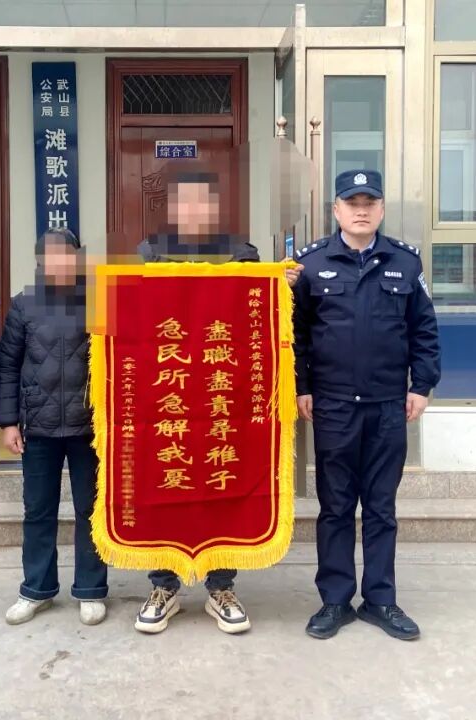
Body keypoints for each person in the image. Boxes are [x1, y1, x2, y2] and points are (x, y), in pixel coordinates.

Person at [132, 172, 301, 635]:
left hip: (221, 392)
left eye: (201, 202)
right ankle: (163, 585)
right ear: (171, 208)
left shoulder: (241, 254)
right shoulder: (149, 252)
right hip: (168, 391)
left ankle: (221, 587)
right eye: (183, 202)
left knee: (221, 478)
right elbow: (132, 317)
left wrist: (279, 284)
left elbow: (257, 317)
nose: (192, 211)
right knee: (166, 482)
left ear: (214, 208)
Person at [291, 169, 440, 641]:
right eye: (352, 203)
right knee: (335, 507)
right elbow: (296, 334)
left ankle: (380, 599)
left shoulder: (405, 262)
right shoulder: (311, 265)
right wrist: (301, 386)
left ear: (381, 210)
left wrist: (422, 386)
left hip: (387, 406)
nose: (361, 211)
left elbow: (424, 330)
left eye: (369, 203)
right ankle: (335, 600)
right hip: (333, 406)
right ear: (336, 209)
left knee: (380, 507)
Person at [0, 228, 109, 627]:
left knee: (90, 510)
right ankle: (37, 589)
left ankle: (91, 590)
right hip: (38, 428)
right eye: (50, 255)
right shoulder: (24, 304)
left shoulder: (98, 301)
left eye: (66, 254)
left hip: (87, 427)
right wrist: (8, 421)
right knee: (38, 510)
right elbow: (7, 366)